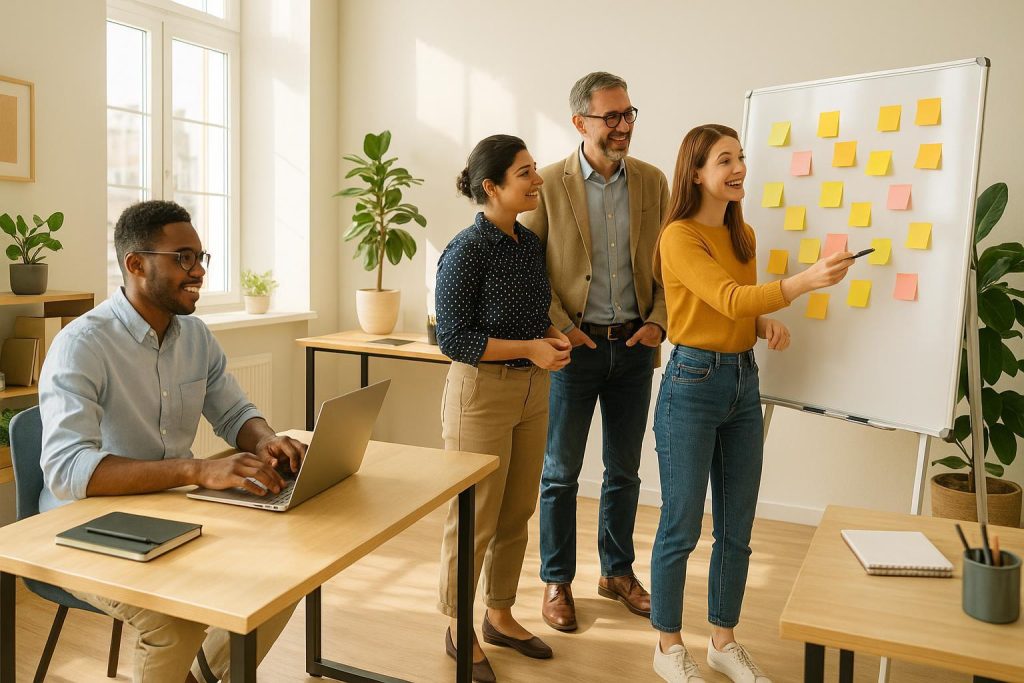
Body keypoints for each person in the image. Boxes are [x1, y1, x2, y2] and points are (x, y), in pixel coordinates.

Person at [38, 200, 307, 683]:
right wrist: (196, 470)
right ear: (135, 264)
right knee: (173, 620)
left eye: (202, 258)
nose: (199, 270)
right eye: (183, 257)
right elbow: (68, 470)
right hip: (80, 527)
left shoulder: (196, 337)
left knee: (281, 581)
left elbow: (235, 413)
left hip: (171, 513)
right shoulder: (82, 344)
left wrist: (267, 440)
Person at [649, 124, 852, 682]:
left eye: (740, 158)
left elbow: (732, 306)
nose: (738, 169)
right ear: (696, 172)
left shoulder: (745, 236)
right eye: (724, 160)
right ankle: (667, 647)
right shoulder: (679, 236)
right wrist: (803, 282)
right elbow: (726, 296)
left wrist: (760, 321)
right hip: (690, 383)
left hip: (742, 381)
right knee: (680, 527)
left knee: (736, 527)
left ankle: (722, 641)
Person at [520, 71, 669, 632]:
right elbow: (528, 265)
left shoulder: (653, 182)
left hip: (633, 348)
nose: (624, 126)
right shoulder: (550, 182)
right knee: (560, 472)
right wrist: (561, 327)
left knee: (624, 471)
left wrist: (658, 322)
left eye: (629, 114)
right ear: (580, 122)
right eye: (612, 117)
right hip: (573, 349)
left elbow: (670, 261)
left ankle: (617, 572)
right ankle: (557, 580)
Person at [435, 134, 572, 683]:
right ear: (490, 187)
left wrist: (553, 336)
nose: (537, 180)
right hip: (480, 395)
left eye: (535, 169)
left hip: (534, 389)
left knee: (517, 509)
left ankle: (499, 614)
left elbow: (533, 312)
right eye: (525, 173)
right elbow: (454, 339)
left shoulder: (528, 243)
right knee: (473, 518)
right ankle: (456, 626)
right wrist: (532, 349)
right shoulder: (465, 251)